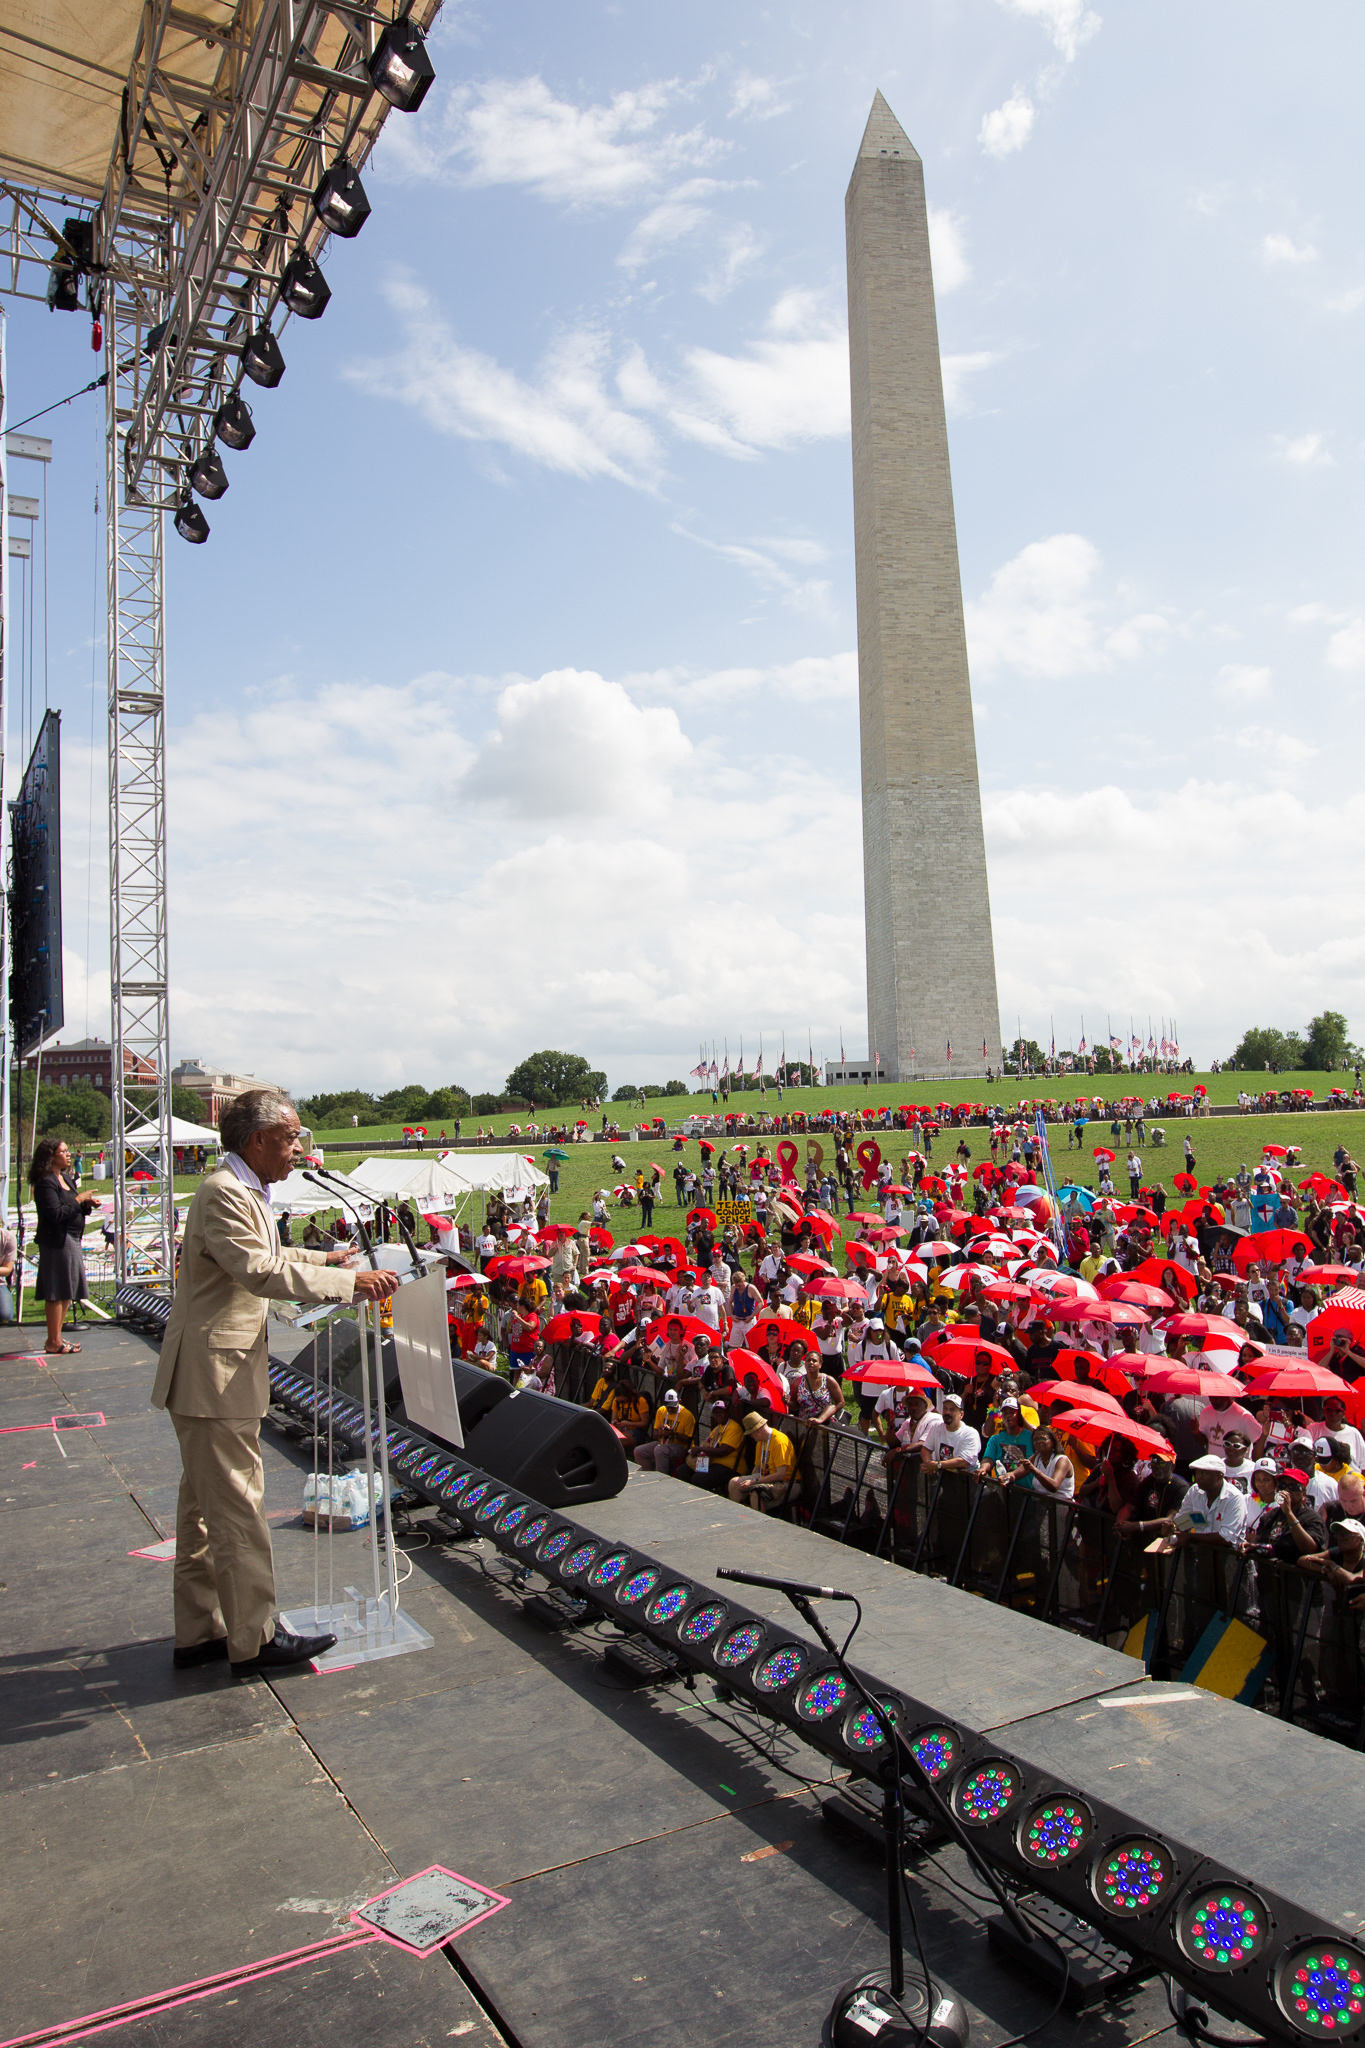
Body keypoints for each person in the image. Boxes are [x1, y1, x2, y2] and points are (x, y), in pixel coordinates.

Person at [150, 1089, 397, 1675]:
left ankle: (200, 1632)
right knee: (237, 1509)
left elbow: (267, 1252)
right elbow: (258, 1270)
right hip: (215, 1378)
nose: (298, 1149)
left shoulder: (241, 1190)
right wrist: (352, 1285)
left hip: (213, 1376)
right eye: (291, 1137)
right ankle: (255, 1640)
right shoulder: (223, 1192)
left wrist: (325, 1262)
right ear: (257, 1139)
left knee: (204, 1514)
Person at [31, 1138, 101, 1353]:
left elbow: (70, 1207)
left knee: (67, 1291)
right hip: (57, 1241)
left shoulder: (66, 1178)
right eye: (63, 1151)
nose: (69, 1154)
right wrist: (78, 1200)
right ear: (51, 1156)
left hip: (71, 1238)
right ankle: (53, 1341)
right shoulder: (46, 1182)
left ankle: (57, 1339)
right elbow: (54, 1214)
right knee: (56, 1291)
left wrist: (86, 1205)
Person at [727, 1410, 796, 1511]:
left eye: (751, 1434)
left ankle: (759, 1524)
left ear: (757, 1430)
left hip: (786, 1482)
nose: (751, 1437)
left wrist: (754, 1482)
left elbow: (781, 1474)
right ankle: (740, 1516)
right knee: (733, 1483)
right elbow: (757, 1468)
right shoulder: (760, 1442)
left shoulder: (779, 1441)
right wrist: (749, 1482)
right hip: (765, 1476)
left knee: (756, 1493)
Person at [634, 1388, 696, 1476]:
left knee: (659, 1450)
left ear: (680, 1401)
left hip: (681, 1447)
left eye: (673, 1406)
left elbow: (688, 1440)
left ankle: (661, 1478)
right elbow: (655, 1435)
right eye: (668, 1406)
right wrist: (661, 1432)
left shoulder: (687, 1416)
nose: (670, 1409)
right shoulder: (661, 1411)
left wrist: (673, 1433)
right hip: (662, 1442)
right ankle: (647, 1476)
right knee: (639, 1451)